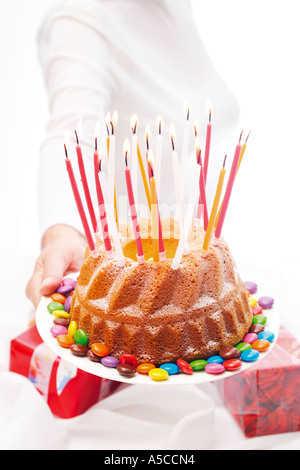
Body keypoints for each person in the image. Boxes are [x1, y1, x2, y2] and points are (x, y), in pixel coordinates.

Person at [26, 0, 239, 309]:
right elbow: (71, 135)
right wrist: (63, 234)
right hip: (120, 292)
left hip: (189, 280)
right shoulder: (80, 21)